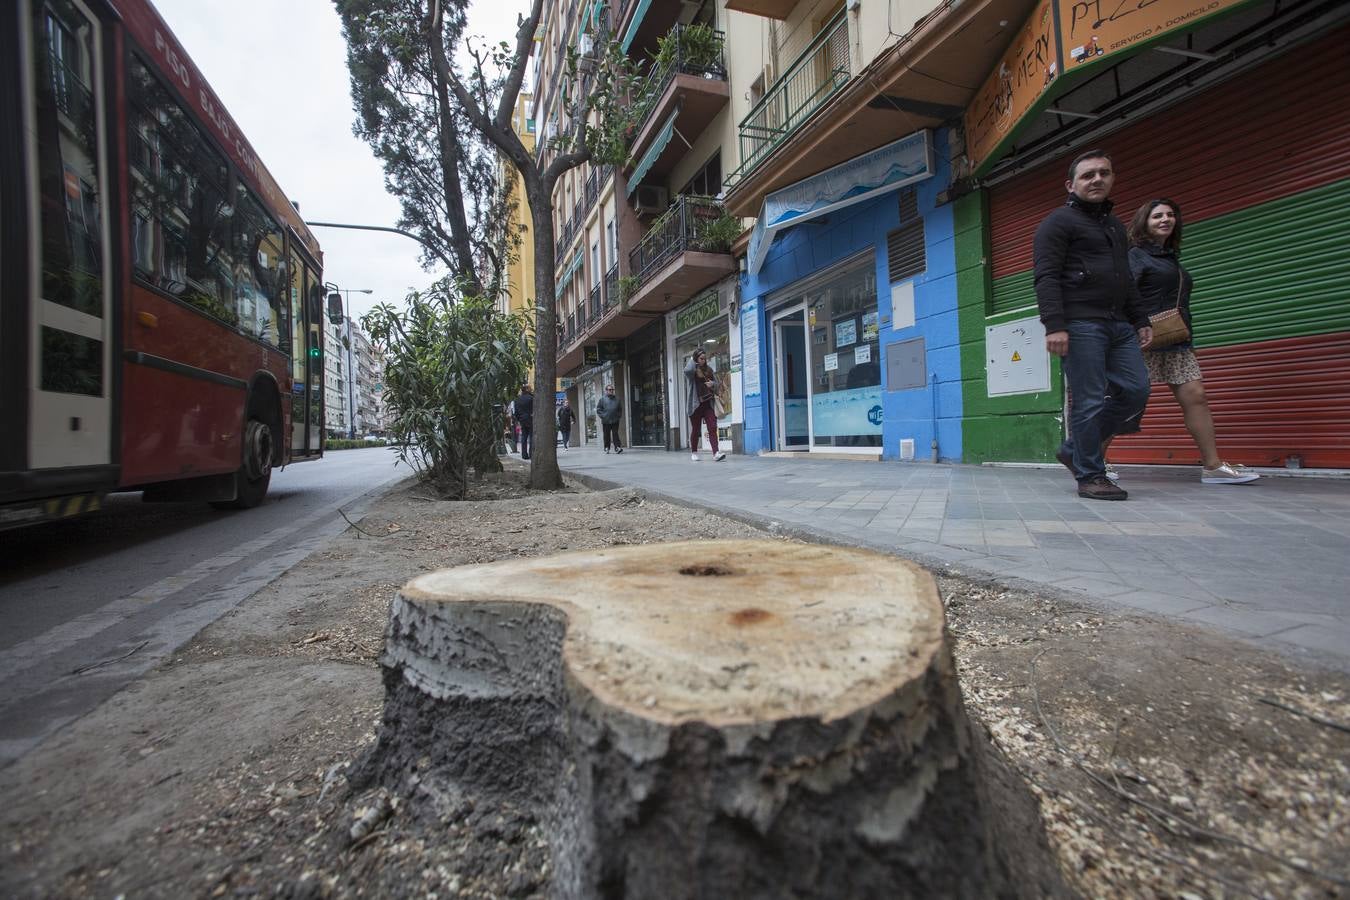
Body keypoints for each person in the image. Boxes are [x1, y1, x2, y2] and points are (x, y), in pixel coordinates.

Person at [1102, 199, 1258, 485]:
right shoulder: (1135, 255)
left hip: (1176, 339)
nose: (1165, 219)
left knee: (1196, 395)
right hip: (1143, 337)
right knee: (1126, 400)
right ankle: (1093, 461)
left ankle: (1212, 466)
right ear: (1143, 222)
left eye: (1170, 214)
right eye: (1157, 215)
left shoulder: (1169, 256)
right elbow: (1123, 294)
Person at [1034, 149, 1152, 501]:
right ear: (1071, 185)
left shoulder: (1116, 226)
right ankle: (1090, 474)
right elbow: (1046, 276)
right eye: (1088, 175)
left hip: (1118, 325)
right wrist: (1054, 325)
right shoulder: (1058, 222)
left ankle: (1075, 449)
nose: (1097, 179)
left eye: (1104, 172)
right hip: (1080, 323)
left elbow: (1125, 278)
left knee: (1136, 391)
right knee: (1088, 400)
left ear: (1113, 177)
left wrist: (1140, 318)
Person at [684, 349, 725, 462]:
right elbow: (686, 370)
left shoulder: (709, 370)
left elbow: (718, 385)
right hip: (696, 405)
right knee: (696, 430)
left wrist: (713, 384)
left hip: (708, 404)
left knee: (712, 427)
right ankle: (694, 452)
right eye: (701, 358)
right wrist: (692, 359)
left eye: (704, 358)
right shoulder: (692, 371)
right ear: (696, 358)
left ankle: (716, 453)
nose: (703, 360)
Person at [596, 384, 623, 454]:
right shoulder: (602, 399)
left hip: (615, 420)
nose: (611, 391)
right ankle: (606, 447)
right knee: (606, 435)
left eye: (612, 389)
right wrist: (603, 416)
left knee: (615, 434)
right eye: (609, 389)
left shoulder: (617, 399)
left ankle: (617, 447)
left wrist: (618, 416)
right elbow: (598, 409)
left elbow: (620, 409)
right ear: (606, 391)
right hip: (606, 420)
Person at [513, 383, 534, 460]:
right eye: (530, 388)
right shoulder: (531, 398)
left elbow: (516, 413)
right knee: (532, 437)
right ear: (527, 389)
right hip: (531, 419)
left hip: (522, 420)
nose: (531, 389)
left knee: (524, 437)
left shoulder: (517, 399)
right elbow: (534, 409)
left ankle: (524, 455)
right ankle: (532, 454)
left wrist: (519, 420)